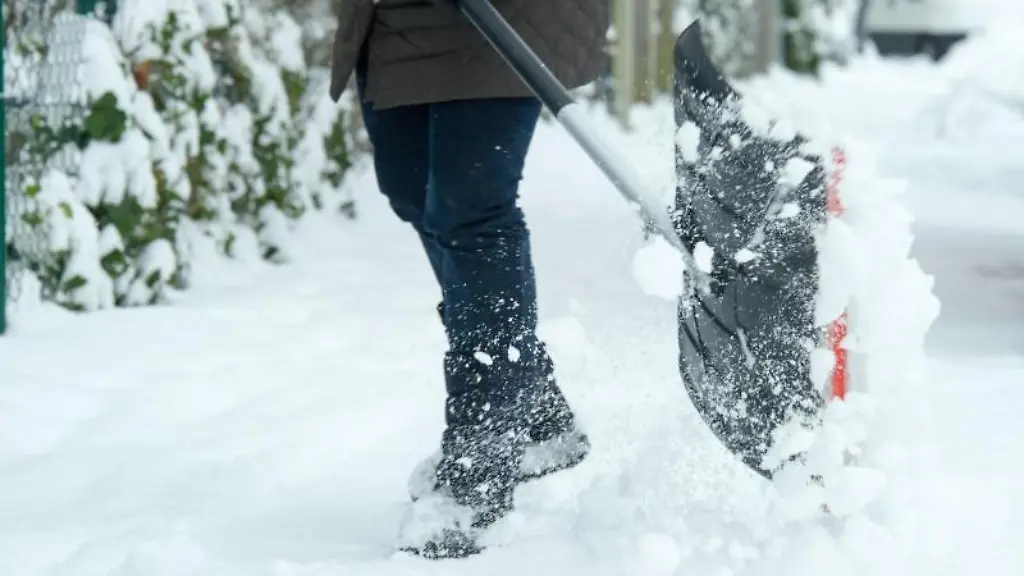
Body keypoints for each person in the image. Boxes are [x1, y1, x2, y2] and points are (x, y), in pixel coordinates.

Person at [329, 0, 610, 559]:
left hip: (504, 14)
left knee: (471, 211)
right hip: (394, 18)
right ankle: (534, 411)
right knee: (414, 192)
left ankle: (483, 455)